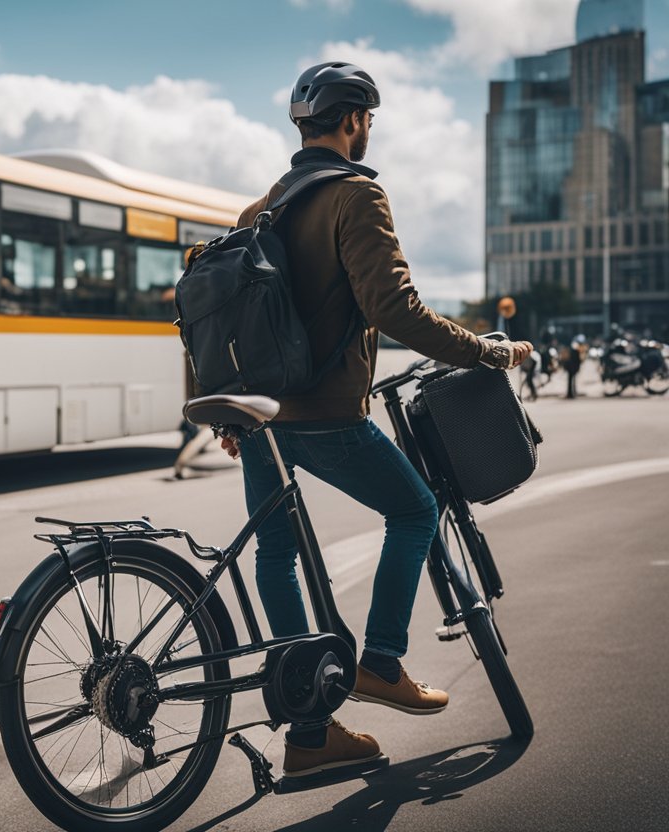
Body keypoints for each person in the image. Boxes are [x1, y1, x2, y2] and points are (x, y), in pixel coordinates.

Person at [223, 62, 533, 781]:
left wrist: (233, 407)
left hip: (261, 417)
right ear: (355, 120)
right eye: (368, 120)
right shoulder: (355, 195)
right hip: (325, 413)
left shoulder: (259, 210)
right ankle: (383, 663)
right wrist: (484, 351)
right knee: (416, 511)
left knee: (277, 554)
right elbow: (395, 309)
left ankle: (309, 733)